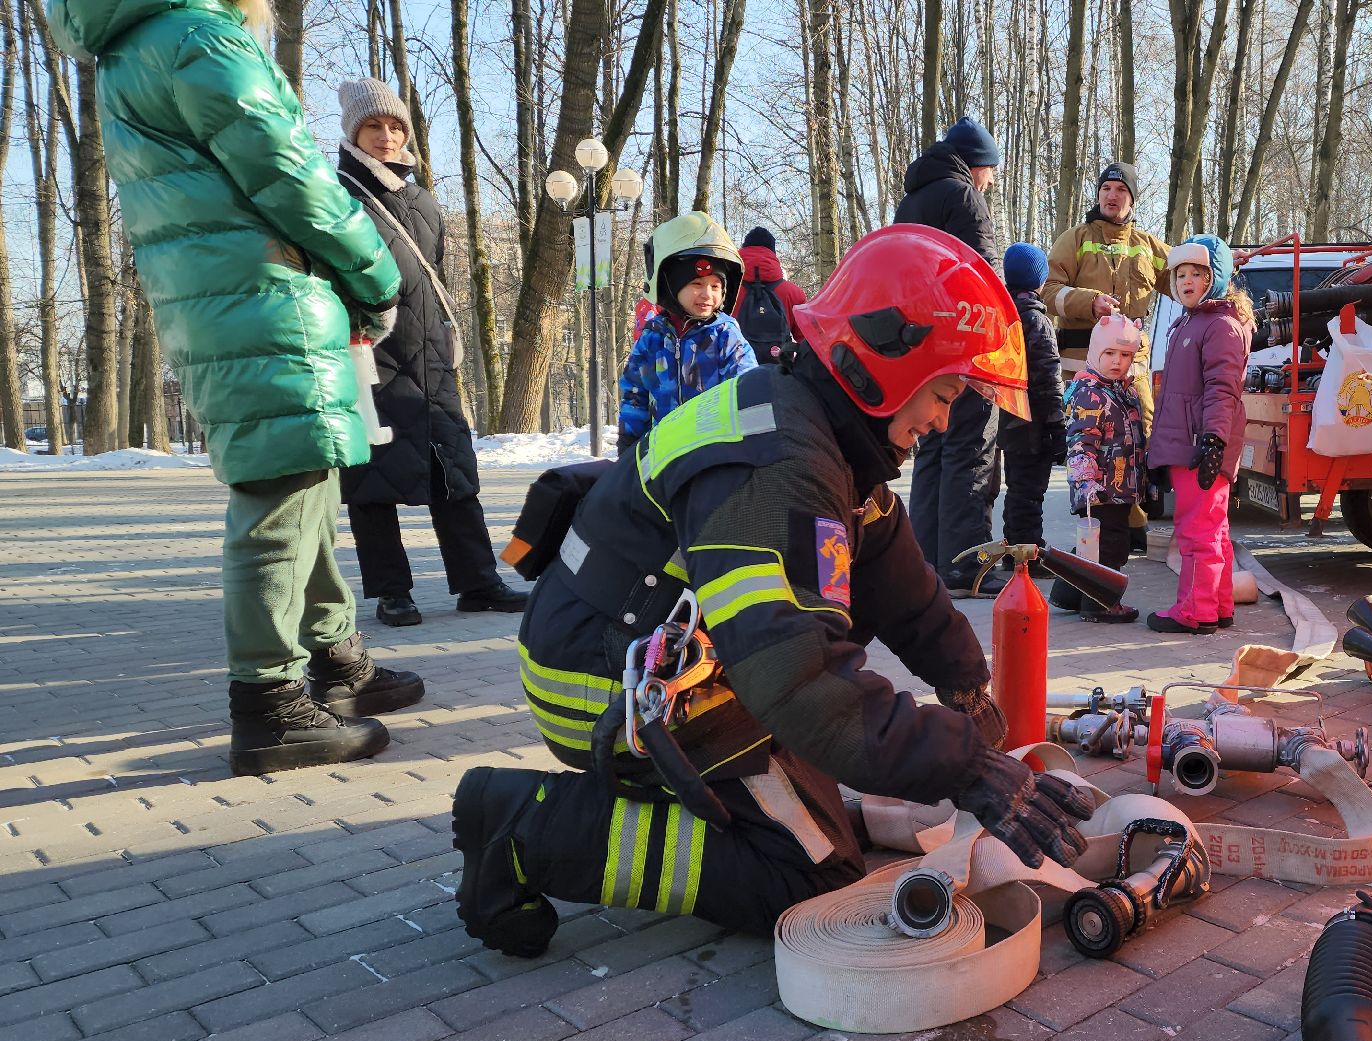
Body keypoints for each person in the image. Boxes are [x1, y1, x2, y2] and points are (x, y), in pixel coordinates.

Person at [451, 225, 1093, 951]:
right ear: (886, 363)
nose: (945, 418)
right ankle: (525, 828)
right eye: (945, 391)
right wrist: (966, 767)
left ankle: (720, 799)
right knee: (807, 870)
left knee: (824, 792)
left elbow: (896, 577)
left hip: (665, 651)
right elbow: (801, 682)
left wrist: (967, 690)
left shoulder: (825, 433)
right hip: (600, 685)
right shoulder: (782, 469)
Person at [50, 0, 423, 774]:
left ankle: (338, 663)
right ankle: (271, 707)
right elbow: (287, 171)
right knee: (282, 496)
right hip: (266, 291)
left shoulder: (134, 45)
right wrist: (377, 273)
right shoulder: (196, 34)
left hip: (219, 292)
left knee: (306, 483)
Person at [332, 79, 527, 628]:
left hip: (430, 355)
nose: (387, 137)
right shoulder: (335, 195)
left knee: (454, 468)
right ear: (353, 133)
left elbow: (433, 273)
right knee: (373, 475)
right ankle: (391, 591)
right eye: (374, 127)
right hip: (367, 352)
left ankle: (477, 580)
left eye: (396, 127)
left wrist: (443, 335)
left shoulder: (423, 201)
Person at [895, 116, 1007, 595]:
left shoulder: (911, 201)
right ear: (977, 163)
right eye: (991, 171)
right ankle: (966, 566)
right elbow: (984, 272)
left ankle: (927, 565)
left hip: (922, 347)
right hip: (964, 343)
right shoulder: (964, 197)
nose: (992, 181)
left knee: (934, 448)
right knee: (971, 447)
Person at [1040, 163, 1171, 553]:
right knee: (1093, 446)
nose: (1112, 196)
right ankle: (1096, 529)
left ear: (1132, 198)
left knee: (1136, 441)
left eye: (1120, 190)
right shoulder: (1076, 239)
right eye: (1106, 188)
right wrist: (1089, 301)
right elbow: (1048, 290)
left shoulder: (1148, 246)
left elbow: (1188, 275)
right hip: (1084, 364)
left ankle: (1132, 525)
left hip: (1134, 366)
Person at [1147, 236, 1253, 635]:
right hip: (1189, 443)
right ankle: (1218, 605)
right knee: (1213, 529)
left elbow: (1222, 390)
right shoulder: (1190, 322)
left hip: (1201, 445)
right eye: (1181, 274)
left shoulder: (1221, 326)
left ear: (1217, 277)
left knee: (1197, 531)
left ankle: (1195, 612)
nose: (1187, 281)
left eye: (1197, 273)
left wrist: (1213, 441)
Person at [617, 212, 755, 452]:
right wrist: (629, 445)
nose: (707, 295)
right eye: (696, 284)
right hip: (663, 452)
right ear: (671, 286)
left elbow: (747, 389)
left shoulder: (725, 337)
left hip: (714, 452)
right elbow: (635, 394)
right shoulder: (653, 339)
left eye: (715, 286)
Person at [1052, 315, 1146, 623]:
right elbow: (1081, 442)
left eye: (1125, 355)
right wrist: (1087, 482)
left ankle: (1069, 594)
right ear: (1095, 352)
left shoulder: (1122, 391)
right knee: (1109, 547)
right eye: (1110, 354)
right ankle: (1100, 604)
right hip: (1100, 489)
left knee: (1094, 544)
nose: (1117, 361)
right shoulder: (1090, 393)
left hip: (1119, 487)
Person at [999, 243, 1066, 565]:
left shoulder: (1001, 316)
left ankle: (1016, 549)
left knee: (1017, 489)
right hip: (1033, 422)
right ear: (1040, 281)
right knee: (1030, 493)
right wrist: (1057, 425)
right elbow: (1048, 376)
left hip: (1008, 420)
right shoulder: (1037, 321)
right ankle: (1026, 554)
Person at [732, 226, 809, 366]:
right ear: (773, 253)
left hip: (735, 378)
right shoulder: (793, 293)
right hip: (780, 377)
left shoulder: (724, 290)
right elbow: (807, 341)